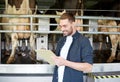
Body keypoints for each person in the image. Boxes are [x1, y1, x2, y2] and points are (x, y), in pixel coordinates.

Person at [52, 13, 93, 82]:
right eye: (61, 26)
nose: (62, 29)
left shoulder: (83, 41)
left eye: (65, 26)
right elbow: (59, 61)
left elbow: (89, 67)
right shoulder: (61, 41)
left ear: (73, 24)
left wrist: (65, 62)